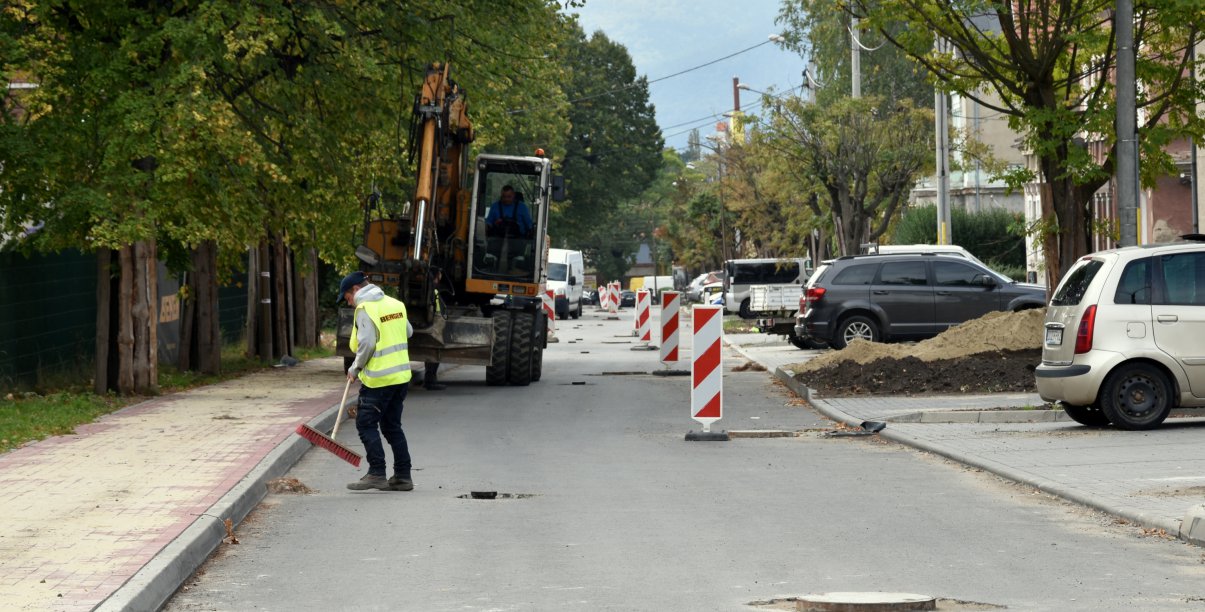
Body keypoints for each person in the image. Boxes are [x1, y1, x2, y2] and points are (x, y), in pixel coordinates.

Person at [339, 271, 415, 492]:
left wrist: (355, 368)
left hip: (379, 379)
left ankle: (376, 473)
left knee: (365, 423)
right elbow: (408, 332)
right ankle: (403, 476)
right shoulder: (395, 304)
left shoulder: (366, 309)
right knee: (392, 426)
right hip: (401, 377)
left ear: (355, 290)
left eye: (348, 298)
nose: (350, 303)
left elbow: (368, 344)